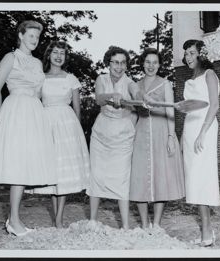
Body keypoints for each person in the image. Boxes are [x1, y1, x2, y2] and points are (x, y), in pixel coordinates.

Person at [0, 20, 56, 236]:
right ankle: (13, 222)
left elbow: (37, 93)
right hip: (15, 112)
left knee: (25, 166)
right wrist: (4, 118)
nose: (34, 40)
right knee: (17, 167)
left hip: (33, 113)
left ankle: (15, 220)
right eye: (31, 36)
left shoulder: (36, 63)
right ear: (21, 35)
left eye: (37, 37)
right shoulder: (11, 58)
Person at [25, 41, 90, 228]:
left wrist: (76, 135)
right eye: (55, 52)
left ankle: (59, 219)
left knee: (63, 171)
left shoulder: (71, 79)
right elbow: (35, 104)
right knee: (51, 170)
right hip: (46, 123)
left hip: (66, 125)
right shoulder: (41, 78)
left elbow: (77, 109)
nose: (59, 56)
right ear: (48, 55)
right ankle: (56, 217)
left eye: (62, 53)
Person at [129, 48, 185, 231]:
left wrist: (171, 136)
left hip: (161, 131)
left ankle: (157, 224)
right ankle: (144, 224)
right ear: (142, 64)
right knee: (139, 177)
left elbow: (170, 110)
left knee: (161, 176)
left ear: (159, 65)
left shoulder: (165, 84)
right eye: (148, 62)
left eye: (155, 62)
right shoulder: (136, 86)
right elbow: (132, 112)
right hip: (142, 131)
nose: (151, 66)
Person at [86, 46, 138, 230]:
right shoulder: (101, 79)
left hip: (123, 133)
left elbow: (137, 93)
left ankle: (125, 226)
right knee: (97, 175)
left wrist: (142, 98)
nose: (119, 66)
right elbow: (99, 99)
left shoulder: (130, 82)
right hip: (101, 132)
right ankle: (92, 221)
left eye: (123, 62)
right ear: (108, 63)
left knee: (121, 177)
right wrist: (112, 95)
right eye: (115, 62)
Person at [181, 39, 220, 247]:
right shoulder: (188, 81)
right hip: (189, 129)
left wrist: (202, 133)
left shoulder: (209, 75)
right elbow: (188, 109)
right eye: (186, 53)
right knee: (193, 179)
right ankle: (206, 229)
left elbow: (214, 106)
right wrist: (182, 137)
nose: (188, 57)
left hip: (204, 128)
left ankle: (207, 229)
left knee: (202, 176)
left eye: (192, 53)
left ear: (201, 55)